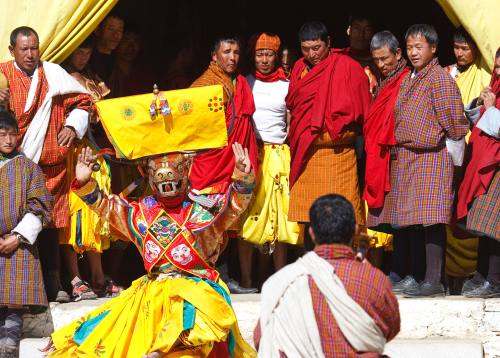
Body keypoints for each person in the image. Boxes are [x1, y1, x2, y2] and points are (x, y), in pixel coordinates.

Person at [48, 143, 256, 357]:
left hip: (197, 290)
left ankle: (169, 344)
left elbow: (234, 206)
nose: (167, 183)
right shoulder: (139, 214)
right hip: (153, 294)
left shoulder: (204, 209)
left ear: (185, 173)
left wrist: (243, 175)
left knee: (200, 321)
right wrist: (84, 182)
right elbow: (105, 206)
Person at [367, 24, 469, 297]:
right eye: (410, 47)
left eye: (418, 47)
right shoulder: (412, 77)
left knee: (432, 219)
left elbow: (457, 124)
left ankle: (433, 280)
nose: (413, 53)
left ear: (433, 48)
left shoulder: (439, 78)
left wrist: (438, 140)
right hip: (407, 158)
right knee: (411, 219)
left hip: (431, 156)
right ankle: (415, 277)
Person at [0, 26, 93, 302]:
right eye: (24, 49)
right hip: (15, 163)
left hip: (52, 164)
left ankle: (54, 283)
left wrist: (72, 126)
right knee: (17, 219)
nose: (30, 54)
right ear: (11, 51)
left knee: (50, 222)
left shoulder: (52, 73)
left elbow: (85, 102)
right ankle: (24, 287)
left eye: (34, 48)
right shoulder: (3, 75)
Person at [254, 194, 400, 357]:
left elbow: (261, 339)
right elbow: (392, 328)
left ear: (311, 233)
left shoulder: (282, 282)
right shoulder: (373, 279)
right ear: (355, 231)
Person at [286, 21, 371, 243]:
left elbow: (364, 112)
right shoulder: (298, 69)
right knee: (308, 217)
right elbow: (295, 108)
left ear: (329, 43)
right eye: (306, 49)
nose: (312, 54)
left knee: (341, 219)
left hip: (339, 156)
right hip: (307, 155)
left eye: (317, 48)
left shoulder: (347, 67)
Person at [189, 36, 259, 294]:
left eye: (237, 52)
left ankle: (225, 276)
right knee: (209, 223)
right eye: (227, 52)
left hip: (234, 162)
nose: (232, 57)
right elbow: (194, 129)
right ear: (214, 56)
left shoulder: (239, 82)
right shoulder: (204, 85)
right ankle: (208, 276)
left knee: (229, 223)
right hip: (212, 164)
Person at [61, 38, 121, 301]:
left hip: (96, 152)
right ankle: (75, 279)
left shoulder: (93, 78)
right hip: (73, 152)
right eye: (79, 51)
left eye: (88, 51)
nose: (84, 56)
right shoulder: (61, 78)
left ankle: (98, 276)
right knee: (75, 215)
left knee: (98, 215)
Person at [240, 33, 300, 287]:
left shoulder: (286, 85)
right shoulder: (245, 83)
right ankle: (246, 279)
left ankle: (279, 279)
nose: (264, 59)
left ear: (277, 56)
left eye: (269, 54)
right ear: (252, 56)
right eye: (259, 54)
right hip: (253, 155)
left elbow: (291, 121)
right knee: (249, 218)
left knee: (280, 219)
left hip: (279, 157)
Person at [0, 111, 52, 357]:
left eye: (12, 135)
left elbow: (41, 205)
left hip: (18, 245)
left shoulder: (29, 168)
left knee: (13, 305)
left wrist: (17, 237)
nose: (8, 140)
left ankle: (10, 350)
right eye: (2, 135)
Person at [364, 31, 410, 269]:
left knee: (404, 216)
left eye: (385, 59)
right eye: (377, 60)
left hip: (401, 156)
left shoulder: (407, 79)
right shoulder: (383, 81)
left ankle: (404, 270)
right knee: (392, 217)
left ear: (398, 53)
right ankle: (397, 271)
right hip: (384, 156)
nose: (381, 65)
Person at [457, 48, 500, 298]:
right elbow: (482, 121)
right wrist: (480, 105)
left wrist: (492, 107)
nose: (498, 72)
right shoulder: (495, 87)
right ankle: (481, 273)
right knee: (482, 221)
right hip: (489, 163)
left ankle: (494, 280)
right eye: (496, 67)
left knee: (493, 224)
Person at [341, 13, 380, 91]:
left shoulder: (379, 62)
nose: (361, 34)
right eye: (357, 28)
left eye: (367, 30)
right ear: (349, 30)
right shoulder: (338, 58)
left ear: (372, 33)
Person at [88, 13, 124, 86]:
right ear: (97, 30)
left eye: (119, 30)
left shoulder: (120, 63)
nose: (115, 35)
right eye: (110, 29)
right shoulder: (86, 60)